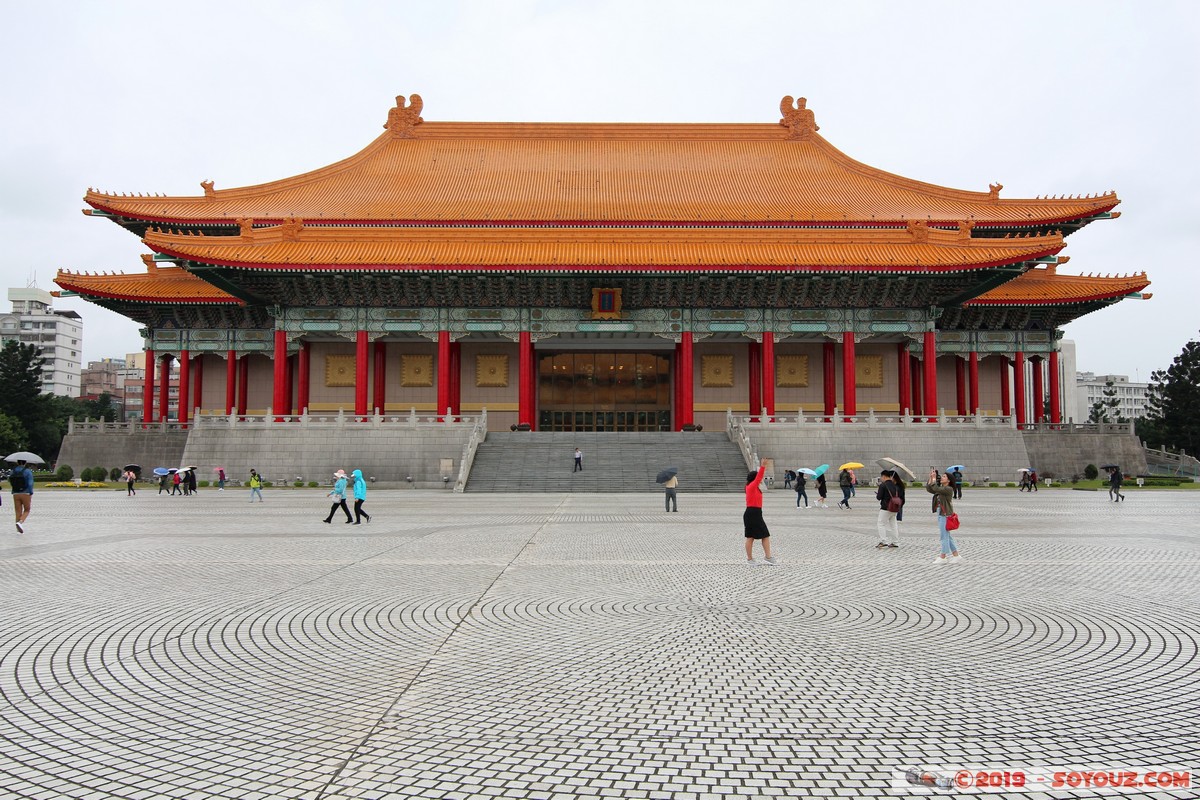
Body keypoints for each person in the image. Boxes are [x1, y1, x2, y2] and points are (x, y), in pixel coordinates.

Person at [743, 462, 776, 565]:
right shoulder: (751, 486)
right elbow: (758, 478)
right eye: (757, 477)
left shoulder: (754, 487)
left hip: (756, 513)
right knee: (751, 537)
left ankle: (768, 556)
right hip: (752, 513)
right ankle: (750, 559)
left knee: (765, 535)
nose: (760, 479)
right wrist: (763, 467)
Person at [926, 469, 962, 564]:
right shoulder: (942, 488)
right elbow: (930, 489)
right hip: (941, 513)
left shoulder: (948, 489)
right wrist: (931, 478)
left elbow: (936, 488)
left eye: (944, 476)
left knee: (944, 536)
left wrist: (934, 479)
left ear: (949, 480)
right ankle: (956, 555)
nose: (942, 477)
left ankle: (943, 556)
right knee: (947, 536)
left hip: (945, 514)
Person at [875, 469, 902, 549]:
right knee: (893, 525)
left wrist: (878, 491)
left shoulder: (883, 485)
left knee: (880, 523)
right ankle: (895, 542)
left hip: (885, 508)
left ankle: (884, 541)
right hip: (894, 507)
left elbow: (879, 497)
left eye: (881, 477)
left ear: (884, 476)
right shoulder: (894, 485)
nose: (881, 478)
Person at [10, 459, 34, 534]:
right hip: (25, 493)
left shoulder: (13, 471)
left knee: (18, 511)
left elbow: (11, 481)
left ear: (17, 462)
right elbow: (30, 483)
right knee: (27, 510)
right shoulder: (27, 471)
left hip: (15, 493)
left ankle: (18, 530)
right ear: (25, 462)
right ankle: (20, 522)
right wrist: (31, 492)